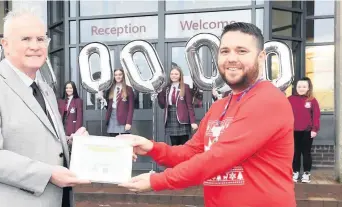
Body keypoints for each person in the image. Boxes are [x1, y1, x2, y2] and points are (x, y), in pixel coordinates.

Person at [118, 22, 296, 207]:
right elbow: (192, 152)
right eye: (225, 51)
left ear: (261, 57)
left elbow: (218, 158)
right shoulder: (220, 106)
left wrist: (157, 180)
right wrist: (151, 147)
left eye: (242, 51)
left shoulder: (268, 100)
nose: (231, 58)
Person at [0, 9, 89, 207]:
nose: (35, 46)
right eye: (26, 39)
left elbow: (41, 143)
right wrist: (48, 174)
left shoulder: (45, 88)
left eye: (40, 39)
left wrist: (73, 144)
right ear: (6, 45)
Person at [288, 77, 320, 183]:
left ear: (308, 88)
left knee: (306, 153)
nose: (301, 88)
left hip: (307, 131)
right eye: (299, 86)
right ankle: (295, 172)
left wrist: (314, 129)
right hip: (294, 131)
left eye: (304, 87)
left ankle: (306, 173)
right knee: (295, 153)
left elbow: (316, 116)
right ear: (296, 88)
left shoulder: (312, 100)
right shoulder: (290, 100)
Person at [158, 66, 198, 145]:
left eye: (176, 74)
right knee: (174, 144)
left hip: (182, 119)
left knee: (184, 144)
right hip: (170, 117)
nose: (174, 76)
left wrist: (193, 122)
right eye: (172, 74)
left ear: (180, 75)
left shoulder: (185, 87)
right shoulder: (166, 88)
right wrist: (159, 94)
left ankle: (185, 158)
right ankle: (175, 157)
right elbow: (162, 105)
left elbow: (189, 106)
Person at [102, 68, 135, 137]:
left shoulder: (128, 89)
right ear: (113, 77)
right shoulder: (110, 88)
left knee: (124, 140)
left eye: (120, 74)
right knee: (113, 139)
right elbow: (106, 104)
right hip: (112, 116)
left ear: (123, 76)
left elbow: (131, 108)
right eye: (116, 75)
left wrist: (128, 122)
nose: (118, 76)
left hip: (123, 118)